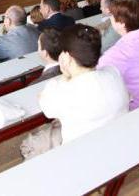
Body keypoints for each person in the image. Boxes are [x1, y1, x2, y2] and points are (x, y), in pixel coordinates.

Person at [23, 25, 128, 158]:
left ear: (66, 57)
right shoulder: (113, 72)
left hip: (81, 156)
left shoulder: (60, 89)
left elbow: (45, 106)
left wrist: (66, 75)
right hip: (116, 146)